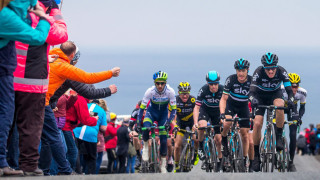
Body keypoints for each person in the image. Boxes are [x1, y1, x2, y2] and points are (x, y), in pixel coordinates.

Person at [39, 41, 120, 175]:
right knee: (56, 141)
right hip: (43, 103)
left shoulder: (50, 58)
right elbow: (89, 88)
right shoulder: (66, 69)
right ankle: (63, 170)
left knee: (40, 138)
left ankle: (39, 169)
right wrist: (109, 87)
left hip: (31, 98)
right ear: (72, 56)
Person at [0, 0, 52, 176]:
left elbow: (25, 23)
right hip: (9, 74)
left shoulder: (10, 13)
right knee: (6, 116)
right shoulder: (5, 15)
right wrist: (45, 18)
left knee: (8, 119)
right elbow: (38, 37)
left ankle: (4, 163)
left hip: (11, 74)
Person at [249, 52, 295, 172]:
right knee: (258, 123)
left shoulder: (281, 71)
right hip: (260, 96)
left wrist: (290, 100)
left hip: (275, 94)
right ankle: (256, 156)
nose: (270, 71)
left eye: (273, 69)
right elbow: (252, 92)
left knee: (280, 106)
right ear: (264, 68)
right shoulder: (258, 72)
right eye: (268, 69)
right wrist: (252, 100)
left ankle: (278, 136)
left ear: (276, 67)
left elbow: (290, 91)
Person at [136, 71, 177, 173]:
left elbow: (174, 110)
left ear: (165, 83)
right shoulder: (149, 91)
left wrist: (169, 122)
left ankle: (163, 164)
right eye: (157, 83)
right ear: (154, 83)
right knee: (146, 126)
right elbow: (141, 109)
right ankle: (145, 147)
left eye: (162, 83)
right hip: (151, 112)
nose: (159, 85)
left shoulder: (170, 92)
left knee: (163, 140)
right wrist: (137, 123)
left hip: (163, 115)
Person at [220, 59, 252, 168]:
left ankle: (243, 158)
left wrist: (254, 113)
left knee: (244, 134)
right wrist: (222, 114)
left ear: (247, 70)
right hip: (231, 105)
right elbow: (224, 98)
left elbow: (255, 99)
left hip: (243, 107)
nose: (241, 73)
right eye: (239, 70)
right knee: (227, 123)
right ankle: (224, 139)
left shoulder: (252, 81)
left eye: (243, 70)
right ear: (236, 71)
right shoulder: (231, 79)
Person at [193, 71, 224, 170]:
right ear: (207, 83)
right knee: (202, 126)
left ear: (218, 83)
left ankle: (219, 158)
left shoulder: (223, 90)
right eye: (211, 84)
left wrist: (225, 118)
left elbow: (227, 105)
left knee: (219, 139)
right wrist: (195, 123)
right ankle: (201, 147)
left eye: (215, 84)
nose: (214, 86)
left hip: (217, 112)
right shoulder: (203, 90)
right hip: (205, 111)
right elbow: (196, 108)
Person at [73, 99, 107, 174]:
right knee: (92, 157)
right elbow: (103, 128)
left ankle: (76, 172)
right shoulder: (101, 110)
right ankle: (90, 175)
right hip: (91, 134)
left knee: (76, 153)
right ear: (98, 104)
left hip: (76, 132)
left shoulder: (84, 106)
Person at [281, 73, 307, 171]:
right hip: (281, 107)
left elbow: (302, 108)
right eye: (292, 86)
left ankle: (291, 162)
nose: (294, 89)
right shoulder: (281, 89)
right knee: (276, 126)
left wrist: (299, 117)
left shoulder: (302, 93)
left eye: (296, 86)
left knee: (293, 134)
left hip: (293, 109)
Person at [171, 82, 198, 172]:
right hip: (180, 123)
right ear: (179, 93)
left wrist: (195, 124)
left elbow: (197, 112)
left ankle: (196, 153)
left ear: (189, 93)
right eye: (183, 93)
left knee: (196, 138)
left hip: (191, 122)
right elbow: (172, 116)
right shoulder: (175, 100)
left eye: (186, 93)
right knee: (177, 145)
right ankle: (177, 164)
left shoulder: (193, 100)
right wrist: (175, 126)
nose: (185, 96)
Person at [96, 99, 109, 174]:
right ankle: (94, 175)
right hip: (99, 137)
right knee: (98, 158)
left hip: (86, 136)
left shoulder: (91, 111)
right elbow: (103, 128)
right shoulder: (102, 112)